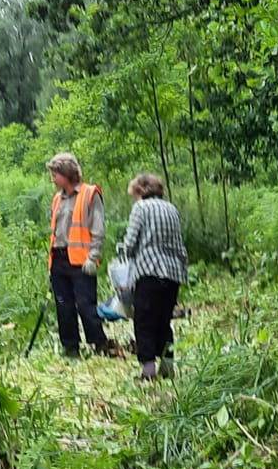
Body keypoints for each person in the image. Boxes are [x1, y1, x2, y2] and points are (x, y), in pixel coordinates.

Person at [117, 173, 186, 381]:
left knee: (144, 321)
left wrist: (123, 252)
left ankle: (148, 371)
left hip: (149, 271)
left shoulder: (140, 208)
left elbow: (130, 243)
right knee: (164, 320)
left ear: (140, 191)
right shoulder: (171, 208)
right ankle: (168, 367)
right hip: (173, 273)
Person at [44, 152, 114, 359]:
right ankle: (71, 348)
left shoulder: (90, 194)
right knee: (63, 306)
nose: (52, 179)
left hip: (82, 261)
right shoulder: (57, 198)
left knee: (86, 305)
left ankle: (99, 343)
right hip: (59, 258)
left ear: (67, 174)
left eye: (55, 174)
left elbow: (98, 228)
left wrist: (94, 256)